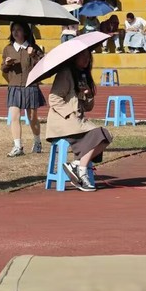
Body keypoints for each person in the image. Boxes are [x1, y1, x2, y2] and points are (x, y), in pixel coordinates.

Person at [47, 48, 112, 192]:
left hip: (78, 122)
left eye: (88, 56)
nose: (86, 59)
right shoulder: (65, 73)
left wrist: (88, 95)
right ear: (74, 57)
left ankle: (78, 165)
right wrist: (69, 114)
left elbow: (88, 107)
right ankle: (81, 170)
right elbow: (54, 99)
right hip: (63, 121)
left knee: (106, 136)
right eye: (82, 55)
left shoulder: (82, 76)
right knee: (100, 134)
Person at [1, 22, 44, 157]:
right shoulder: (8, 49)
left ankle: (37, 141)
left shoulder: (34, 48)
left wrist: (33, 55)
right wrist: (7, 64)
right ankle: (17, 146)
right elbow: (3, 69)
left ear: (25, 32)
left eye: (18, 29)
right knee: (14, 116)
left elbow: (43, 65)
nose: (15, 32)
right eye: (13, 29)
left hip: (30, 86)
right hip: (14, 86)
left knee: (32, 117)